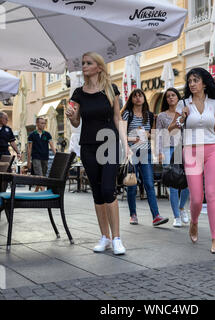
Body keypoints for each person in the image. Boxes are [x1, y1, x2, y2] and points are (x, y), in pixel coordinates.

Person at [66, 51, 127, 255]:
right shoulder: (78, 94)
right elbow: (76, 122)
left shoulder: (111, 89)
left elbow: (117, 118)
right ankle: (105, 237)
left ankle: (117, 238)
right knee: (98, 192)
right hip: (88, 145)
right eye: (82, 63)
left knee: (109, 189)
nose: (84, 66)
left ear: (99, 67)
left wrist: (125, 144)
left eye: (88, 63)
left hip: (109, 143)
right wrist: (71, 117)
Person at [168, 68, 215, 254]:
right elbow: (171, 129)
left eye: (196, 80)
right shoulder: (183, 104)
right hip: (191, 151)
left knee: (212, 195)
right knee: (196, 198)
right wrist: (182, 117)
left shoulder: (214, 104)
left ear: (204, 83)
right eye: (190, 81)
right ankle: (194, 222)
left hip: (212, 151)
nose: (192, 84)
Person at [121, 89, 169, 227]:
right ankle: (133, 215)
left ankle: (156, 216)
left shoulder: (148, 115)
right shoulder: (127, 114)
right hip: (132, 153)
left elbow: (150, 134)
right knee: (132, 184)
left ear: (144, 98)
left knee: (149, 183)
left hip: (145, 153)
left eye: (140, 95)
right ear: (131, 99)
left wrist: (147, 136)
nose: (138, 98)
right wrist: (133, 139)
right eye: (135, 96)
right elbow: (122, 134)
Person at [156, 88, 190, 228]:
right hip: (168, 149)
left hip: (184, 148)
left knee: (189, 181)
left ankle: (182, 208)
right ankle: (176, 216)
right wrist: (158, 152)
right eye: (168, 96)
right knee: (173, 184)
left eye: (173, 95)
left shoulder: (185, 112)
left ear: (178, 97)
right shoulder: (161, 116)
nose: (170, 98)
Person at [27, 117, 56, 192]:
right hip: (36, 158)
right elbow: (29, 149)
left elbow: (52, 145)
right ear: (37, 124)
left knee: (42, 176)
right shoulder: (32, 135)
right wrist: (28, 161)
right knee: (39, 175)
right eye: (42, 123)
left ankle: (36, 191)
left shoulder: (47, 134)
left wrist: (56, 155)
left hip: (45, 158)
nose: (44, 125)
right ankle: (43, 192)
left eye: (44, 123)